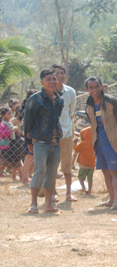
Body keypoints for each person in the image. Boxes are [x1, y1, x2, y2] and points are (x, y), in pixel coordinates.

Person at [85, 76, 117, 210]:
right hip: (98, 144)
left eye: (97, 86)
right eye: (91, 87)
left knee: (114, 172)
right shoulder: (89, 105)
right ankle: (110, 200)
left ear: (102, 86)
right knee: (105, 172)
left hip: (112, 143)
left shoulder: (111, 101)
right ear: (87, 89)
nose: (94, 90)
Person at [24, 68, 64, 214]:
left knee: (52, 173)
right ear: (42, 82)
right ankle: (34, 204)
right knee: (39, 171)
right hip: (40, 141)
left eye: (54, 79)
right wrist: (29, 142)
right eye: (49, 79)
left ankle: (48, 205)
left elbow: (56, 119)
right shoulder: (34, 99)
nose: (52, 82)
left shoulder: (59, 99)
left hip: (55, 142)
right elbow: (27, 122)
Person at [51, 64, 77, 202]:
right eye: (56, 73)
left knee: (67, 164)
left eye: (62, 73)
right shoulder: (46, 92)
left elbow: (71, 112)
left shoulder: (70, 92)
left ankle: (68, 193)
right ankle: (53, 193)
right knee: (52, 164)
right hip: (50, 134)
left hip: (66, 133)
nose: (60, 76)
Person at [73, 127, 96, 195]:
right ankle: (89, 191)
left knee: (81, 177)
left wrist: (75, 143)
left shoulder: (83, 142)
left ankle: (84, 188)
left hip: (83, 164)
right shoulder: (94, 143)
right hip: (92, 164)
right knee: (90, 178)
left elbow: (76, 149)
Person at [0, 106, 21, 180]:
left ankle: (14, 175)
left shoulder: (9, 123)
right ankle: (20, 176)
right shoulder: (3, 124)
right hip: (6, 144)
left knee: (16, 159)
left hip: (12, 142)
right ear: (3, 115)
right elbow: (3, 133)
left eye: (11, 113)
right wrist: (12, 130)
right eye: (8, 114)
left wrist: (17, 130)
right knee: (6, 160)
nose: (11, 115)